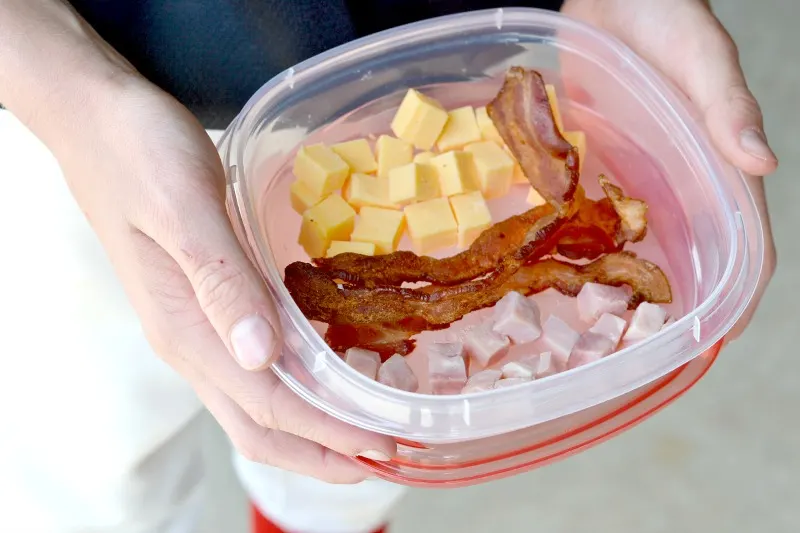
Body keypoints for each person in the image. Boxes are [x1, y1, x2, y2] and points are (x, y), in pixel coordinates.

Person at [0, 0, 778, 532]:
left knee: (353, 443)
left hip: (446, 77)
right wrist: (64, 88)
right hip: (83, 113)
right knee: (85, 459)